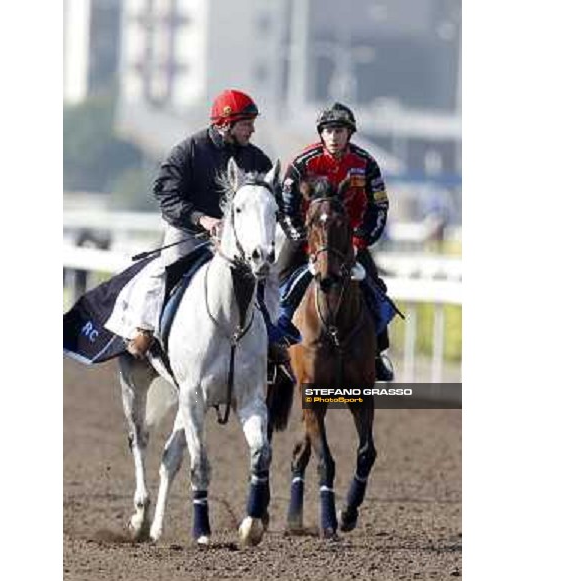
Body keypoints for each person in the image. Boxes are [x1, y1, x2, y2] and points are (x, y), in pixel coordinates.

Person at [124, 89, 289, 365]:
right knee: (163, 269)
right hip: (190, 232)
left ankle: (272, 335)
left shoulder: (258, 159)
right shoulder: (187, 151)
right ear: (226, 124)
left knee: (270, 276)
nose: (252, 129)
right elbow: (166, 196)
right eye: (247, 123)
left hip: (235, 241)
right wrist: (202, 219)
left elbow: (272, 201)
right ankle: (145, 330)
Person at [277, 102, 395, 381]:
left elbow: (380, 207)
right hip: (307, 237)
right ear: (321, 133)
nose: (333, 136)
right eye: (328, 130)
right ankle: (274, 350)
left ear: (349, 133)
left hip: (349, 240)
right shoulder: (303, 163)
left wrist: (359, 240)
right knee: (277, 284)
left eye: (339, 130)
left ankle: (377, 354)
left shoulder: (366, 164)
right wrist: (306, 242)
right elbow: (285, 207)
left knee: (375, 288)